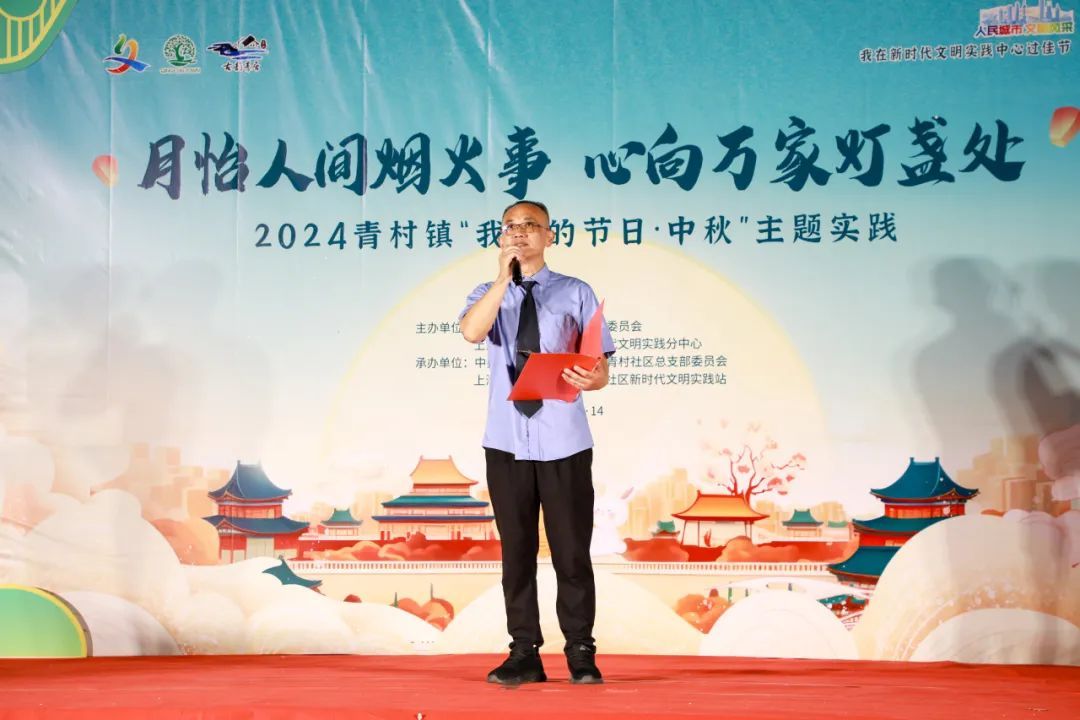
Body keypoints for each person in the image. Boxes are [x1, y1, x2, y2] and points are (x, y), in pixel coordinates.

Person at [459, 200, 615, 685]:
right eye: (510, 226)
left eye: (531, 225)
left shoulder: (576, 291)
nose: (519, 232)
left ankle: (581, 651)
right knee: (517, 552)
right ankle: (523, 652)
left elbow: (600, 367)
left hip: (563, 439)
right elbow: (471, 331)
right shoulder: (487, 292)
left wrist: (594, 379)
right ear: (500, 237)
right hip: (506, 440)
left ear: (550, 236)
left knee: (572, 551)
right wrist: (502, 280)